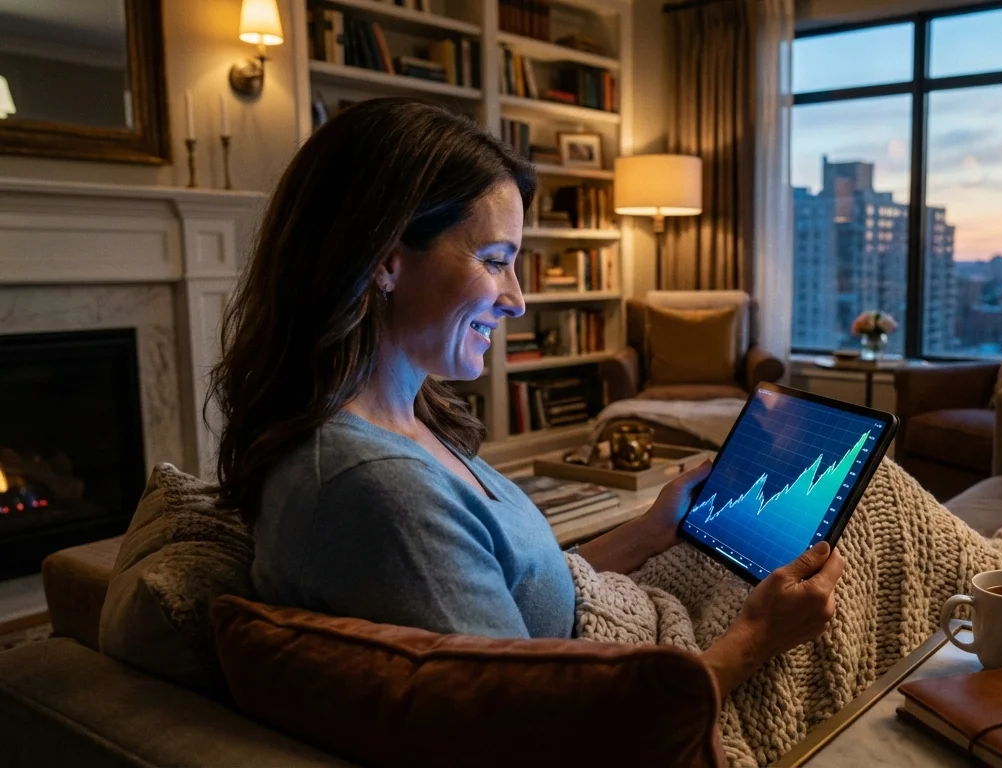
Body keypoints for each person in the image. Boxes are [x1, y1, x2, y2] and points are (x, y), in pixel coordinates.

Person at [210, 98, 844, 696]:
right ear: (385, 260)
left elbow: (521, 589)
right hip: (665, 690)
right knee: (872, 521)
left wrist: (652, 529)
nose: (515, 298)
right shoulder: (377, 489)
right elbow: (546, 724)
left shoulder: (400, 425)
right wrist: (759, 638)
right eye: (494, 259)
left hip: (631, 632)